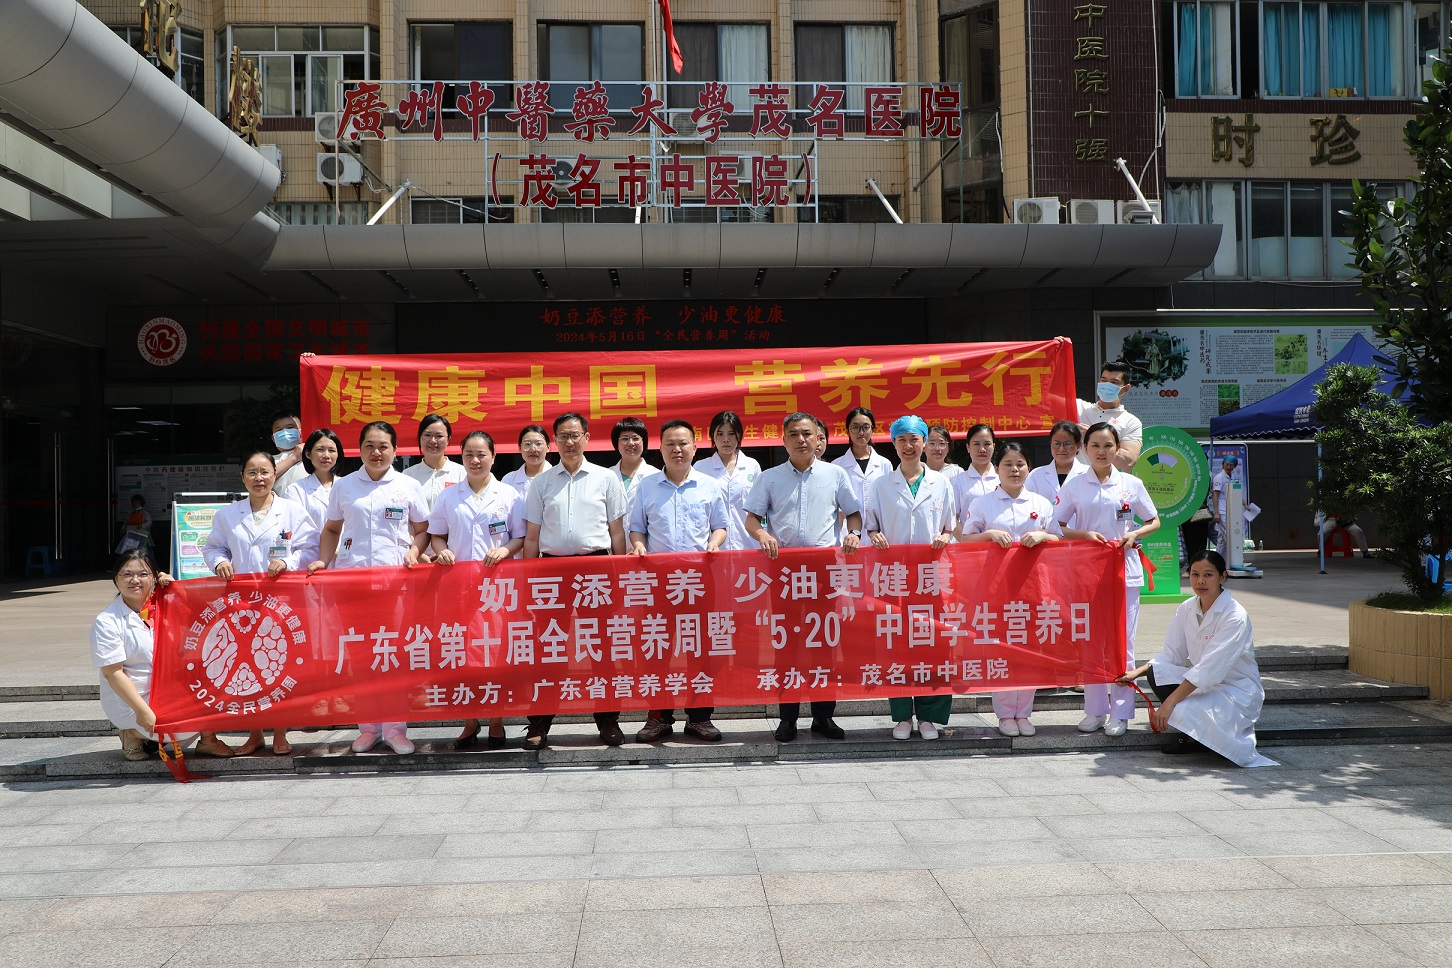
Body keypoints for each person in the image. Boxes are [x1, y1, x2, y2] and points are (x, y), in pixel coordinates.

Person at [308, 421, 430, 756]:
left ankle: (395, 729)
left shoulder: (407, 486)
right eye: (369, 446)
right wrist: (323, 560)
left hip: (396, 585)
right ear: (359, 450)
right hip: (354, 585)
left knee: (393, 655)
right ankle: (367, 728)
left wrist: (414, 550)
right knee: (362, 657)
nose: (376, 453)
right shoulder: (345, 486)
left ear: (395, 449)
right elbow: (332, 529)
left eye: (383, 446)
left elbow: (422, 529)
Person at [744, 412, 862, 742]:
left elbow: (853, 512)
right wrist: (763, 535)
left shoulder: (835, 474)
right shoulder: (769, 478)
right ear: (783, 440)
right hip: (784, 570)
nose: (801, 439)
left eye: (807, 433)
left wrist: (853, 533)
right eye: (793, 434)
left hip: (824, 569)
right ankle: (787, 719)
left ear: (818, 439)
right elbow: (751, 519)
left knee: (824, 643)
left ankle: (823, 718)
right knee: (786, 646)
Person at [522, 412, 629, 749]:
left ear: (587, 437)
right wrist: (530, 581)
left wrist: (620, 577)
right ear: (555, 441)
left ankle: (608, 721)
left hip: (596, 570)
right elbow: (531, 538)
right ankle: (539, 724)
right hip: (552, 570)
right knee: (548, 648)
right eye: (563, 436)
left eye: (575, 435)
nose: (569, 442)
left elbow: (617, 533)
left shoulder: (605, 479)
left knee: (601, 648)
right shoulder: (541, 483)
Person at [202, 450, 316, 755]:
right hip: (241, 604)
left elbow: (310, 547)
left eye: (265, 471)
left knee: (278, 664)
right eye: (251, 472)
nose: (259, 478)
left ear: (275, 475)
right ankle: (255, 733)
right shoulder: (227, 515)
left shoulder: (291, 510)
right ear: (242, 477)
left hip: (281, 602)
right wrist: (219, 563)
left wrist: (288, 562)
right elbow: (213, 547)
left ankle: (280, 731)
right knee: (247, 667)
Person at [1118, 551, 1277, 766]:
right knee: (1157, 672)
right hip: (1203, 684)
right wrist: (1136, 672)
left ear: (1223, 577)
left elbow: (1210, 669)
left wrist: (1168, 704)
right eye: (1195, 574)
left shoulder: (1234, 615)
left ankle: (1203, 737)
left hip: (1235, 691)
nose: (1200, 581)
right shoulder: (1186, 608)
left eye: (1208, 575)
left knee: (1191, 715)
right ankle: (1194, 736)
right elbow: (1171, 655)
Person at [420, 430, 526, 750]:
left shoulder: (509, 495)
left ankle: (495, 720)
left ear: (493, 456)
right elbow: (436, 534)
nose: (476, 460)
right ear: (461, 457)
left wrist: (505, 551)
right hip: (460, 588)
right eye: (469, 455)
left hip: (497, 590)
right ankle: (469, 720)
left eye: (482, 454)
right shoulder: (449, 495)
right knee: (463, 655)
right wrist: (442, 551)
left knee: (495, 652)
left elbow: (519, 537)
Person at [1057, 422, 1161, 737]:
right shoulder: (1074, 485)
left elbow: (1154, 520)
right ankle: (1095, 711)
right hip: (1087, 573)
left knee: (1122, 644)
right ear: (1085, 449)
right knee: (1090, 642)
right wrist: (1084, 534)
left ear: (1118, 449)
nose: (1102, 452)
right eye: (1095, 446)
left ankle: (1122, 713)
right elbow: (1057, 524)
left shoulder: (1131, 484)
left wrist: (1135, 533)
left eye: (1108, 445)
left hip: (1125, 572)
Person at [630, 420, 730, 743]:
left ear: (695, 447)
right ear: (660, 448)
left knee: (699, 649)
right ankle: (658, 717)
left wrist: (715, 542)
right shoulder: (646, 486)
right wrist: (639, 544)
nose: (677, 449)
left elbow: (721, 525)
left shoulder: (708, 485)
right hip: (658, 581)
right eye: (670, 443)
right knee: (656, 647)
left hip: (698, 579)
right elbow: (636, 528)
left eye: (683, 443)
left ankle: (699, 718)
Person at [961, 441, 1062, 737]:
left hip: (1033, 585)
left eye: (1020, 464)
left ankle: (1024, 713)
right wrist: (989, 534)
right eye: (1008, 464)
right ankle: (1005, 714)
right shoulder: (983, 503)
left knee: (1030, 648)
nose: (1014, 470)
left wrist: (1043, 535)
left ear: (1028, 469)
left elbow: (1058, 538)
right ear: (997, 469)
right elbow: (966, 541)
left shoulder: (1041, 504)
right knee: (1002, 649)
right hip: (997, 587)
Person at [863, 416, 955, 741]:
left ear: (926, 443)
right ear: (894, 443)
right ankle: (902, 715)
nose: (909, 445)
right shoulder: (880, 484)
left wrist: (945, 536)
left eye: (915, 439)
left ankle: (930, 716)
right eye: (902, 439)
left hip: (931, 576)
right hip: (895, 577)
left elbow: (950, 525)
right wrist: (874, 536)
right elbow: (869, 525)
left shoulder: (941, 482)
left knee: (933, 643)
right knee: (896, 644)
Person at [91, 551, 225, 760]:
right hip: (133, 699)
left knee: (217, 687)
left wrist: (178, 591)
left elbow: (210, 620)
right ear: (116, 579)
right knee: (179, 731)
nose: (135, 580)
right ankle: (132, 733)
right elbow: (113, 673)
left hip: (170, 688)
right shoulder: (107, 621)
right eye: (126, 574)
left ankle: (208, 739)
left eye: (143, 574)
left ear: (154, 577)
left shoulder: (167, 604)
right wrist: (142, 711)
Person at [694, 410, 763, 551]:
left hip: (748, 543)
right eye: (720, 434)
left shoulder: (752, 465)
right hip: (713, 546)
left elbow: (759, 506)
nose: (726, 439)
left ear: (739, 436)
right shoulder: (701, 467)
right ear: (712, 436)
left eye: (731, 433)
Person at [285, 428, 343, 568]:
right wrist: (329, 551)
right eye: (320, 450)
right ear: (308, 454)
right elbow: (297, 528)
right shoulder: (296, 490)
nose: (326, 455)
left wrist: (341, 552)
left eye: (332, 450)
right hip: (309, 560)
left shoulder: (348, 486)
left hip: (345, 560)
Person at [1076, 361, 1142, 471]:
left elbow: (1129, 462)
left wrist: (1092, 436)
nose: (1107, 386)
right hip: (1074, 482)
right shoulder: (1078, 407)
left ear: (1126, 388)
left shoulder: (1131, 421)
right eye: (1103, 381)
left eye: (1114, 383)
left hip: (1107, 484)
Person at [832, 406, 893, 515]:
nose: (861, 432)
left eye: (866, 427)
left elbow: (889, 499)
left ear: (873, 429)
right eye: (855, 427)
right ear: (847, 431)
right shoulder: (836, 465)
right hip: (846, 529)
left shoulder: (884, 464)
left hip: (878, 529)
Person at [403, 413, 467, 511]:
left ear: (448, 439)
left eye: (439, 436)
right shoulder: (408, 475)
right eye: (427, 435)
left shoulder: (462, 473)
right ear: (420, 437)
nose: (433, 441)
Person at [1024, 420, 1088, 505]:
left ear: (1078, 446)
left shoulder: (1088, 473)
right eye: (1057, 443)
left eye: (1067, 444)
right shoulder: (1036, 475)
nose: (1061, 448)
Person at [950, 423, 999, 528]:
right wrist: (965, 540)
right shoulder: (957, 481)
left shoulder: (1003, 478)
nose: (982, 449)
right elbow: (952, 518)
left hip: (1001, 541)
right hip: (969, 542)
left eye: (987, 444)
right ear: (968, 447)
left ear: (994, 446)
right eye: (976, 444)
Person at [502, 424, 553, 505]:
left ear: (548, 447)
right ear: (520, 448)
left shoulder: (558, 477)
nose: (533, 449)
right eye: (528, 444)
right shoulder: (509, 480)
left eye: (538, 444)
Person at [609, 416, 661, 495]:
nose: (630, 443)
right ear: (617, 443)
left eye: (635, 438)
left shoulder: (656, 475)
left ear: (644, 442)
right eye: (625, 439)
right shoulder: (607, 475)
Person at [270, 410, 309, 495]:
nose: (285, 432)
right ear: (274, 438)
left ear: (300, 431)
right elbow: (267, 475)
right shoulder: (268, 460)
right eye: (279, 429)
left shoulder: (311, 455)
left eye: (290, 427)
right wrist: (294, 457)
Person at [1212, 455, 1241, 560]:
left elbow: (1233, 493)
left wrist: (1244, 504)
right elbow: (1215, 495)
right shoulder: (1219, 477)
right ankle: (1236, 559)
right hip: (1222, 510)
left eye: (1231, 465)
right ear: (1223, 464)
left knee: (1222, 540)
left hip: (1230, 509)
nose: (1228, 467)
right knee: (1229, 536)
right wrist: (1216, 512)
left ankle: (1218, 561)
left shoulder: (1232, 477)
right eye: (1226, 464)